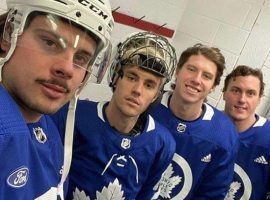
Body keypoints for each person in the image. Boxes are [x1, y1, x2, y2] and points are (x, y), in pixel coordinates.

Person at [0, 0, 114, 199]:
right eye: (50, 42)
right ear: (9, 34)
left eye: (81, 58)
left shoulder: (48, 128)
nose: (68, 69)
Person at [52, 31, 177, 199]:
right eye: (132, 77)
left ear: (155, 95)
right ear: (117, 77)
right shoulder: (72, 115)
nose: (137, 90)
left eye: (149, 85)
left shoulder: (161, 144)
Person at [150, 44, 239, 199]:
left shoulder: (224, 134)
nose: (196, 79)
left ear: (213, 86)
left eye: (207, 76)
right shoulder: (146, 106)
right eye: (191, 69)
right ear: (177, 71)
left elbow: (212, 194)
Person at [223, 65, 270, 199]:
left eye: (250, 93)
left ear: (259, 98)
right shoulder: (207, 126)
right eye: (236, 90)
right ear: (224, 93)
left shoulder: (267, 138)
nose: (242, 99)